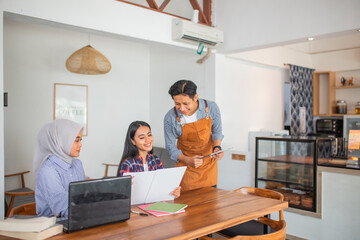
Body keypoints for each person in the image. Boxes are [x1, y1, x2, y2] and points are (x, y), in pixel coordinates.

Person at [164, 80, 224, 191]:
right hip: (186, 168)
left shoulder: (211, 107)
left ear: (195, 97)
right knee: (188, 204)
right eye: (177, 104)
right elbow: (170, 147)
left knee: (210, 203)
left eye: (186, 104)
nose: (182, 108)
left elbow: (217, 131)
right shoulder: (170, 118)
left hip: (208, 167)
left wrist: (217, 147)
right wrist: (187, 160)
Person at [33, 119, 85, 217]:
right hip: (54, 227)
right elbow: (63, 209)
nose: (80, 144)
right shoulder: (48, 170)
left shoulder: (77, 164)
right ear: (60, 141)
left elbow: (84, 196)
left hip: (78, 220)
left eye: (80, 140)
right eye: (76, 140)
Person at [117, 121, 180, 198]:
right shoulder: (128, 164)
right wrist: (127, 187)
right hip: (135, 207)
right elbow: (122, 195)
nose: (148, 140)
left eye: (149, 135)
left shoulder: (156, 159)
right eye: (142, 137)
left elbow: (162, 185)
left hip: (155, 203)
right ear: (133, 141)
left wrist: (173, 192)